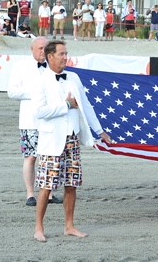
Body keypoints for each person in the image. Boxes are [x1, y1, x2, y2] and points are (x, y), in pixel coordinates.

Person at [31, 41, 112, 242]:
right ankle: (39, 228)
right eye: (62, 54)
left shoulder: (74, 77)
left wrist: (100, 131)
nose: (66, 57)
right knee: (46, 185)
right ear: (50, 57)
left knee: (71, 184)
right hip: (51, 142)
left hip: (72, 139)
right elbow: (39, 112)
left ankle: (69, 226)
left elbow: (86, 106)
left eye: (66, 53)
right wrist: (65, 105)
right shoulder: (40, 81)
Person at [7, 37, 57, 206]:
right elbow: (12, 92)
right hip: (30, 120)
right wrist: (37, 93)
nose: (43, 51)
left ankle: (48, 193)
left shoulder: (54, 66)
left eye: (46, 48)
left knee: (49, 157)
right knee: (30, 157)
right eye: (40, 48)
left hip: (51, 120)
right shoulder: (21, 66)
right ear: (32, 49)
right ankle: (30, 194)